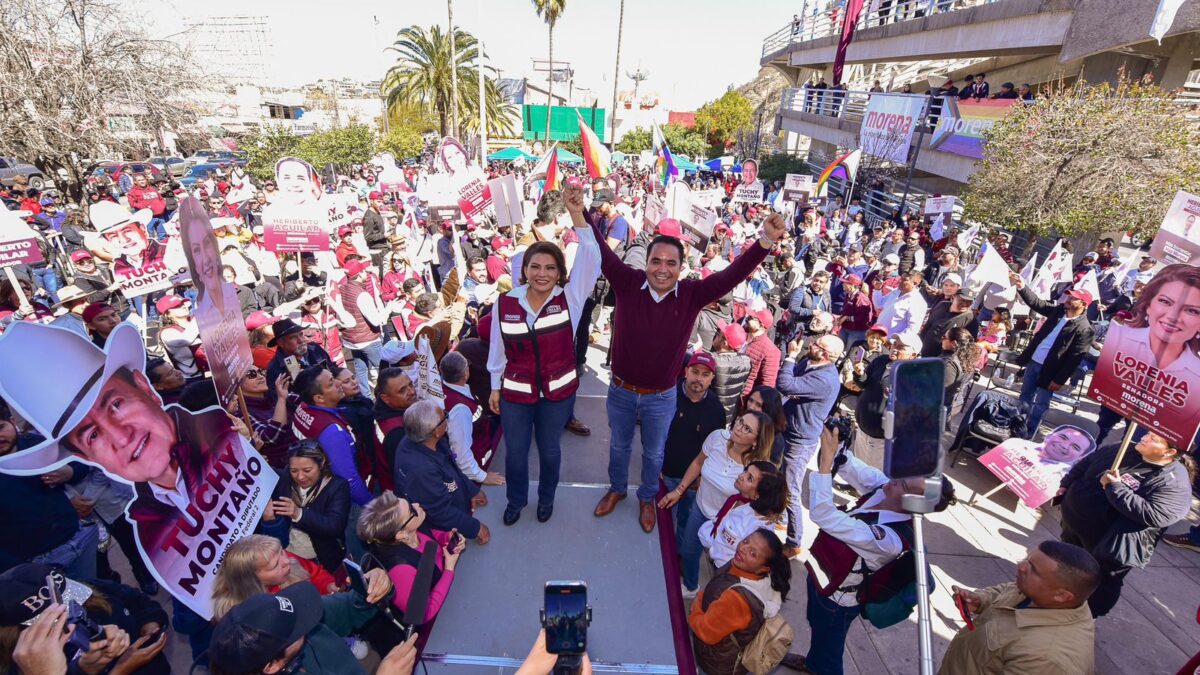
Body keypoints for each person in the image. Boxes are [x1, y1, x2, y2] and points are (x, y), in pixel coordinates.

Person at [590, 204, 786, 533]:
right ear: (646, 263)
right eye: (656, 261)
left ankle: (647, 497)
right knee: (619, 446)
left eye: (671, 263)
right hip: (622, 391)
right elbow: (599, 247)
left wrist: (765, 240)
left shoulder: (694, 294)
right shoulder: (627, 282)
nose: (662, 269)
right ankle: (617, 489)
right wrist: (577, 211)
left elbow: (734, 273)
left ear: (682, 267)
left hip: (661, 398)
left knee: (654, 454)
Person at [0, 322, 258, 569]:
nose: (121, 437)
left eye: (116, 405)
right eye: (92, 436)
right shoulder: (150, 532)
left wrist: (249, 446)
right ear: (85, 456)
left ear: (144, 387)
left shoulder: (225, 438)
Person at [782, 426, 956, 674]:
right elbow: (852, 468)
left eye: (903, 481)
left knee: (829, 654)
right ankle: (812, 662)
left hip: (837, 601)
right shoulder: (888, 489)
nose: (893, 478)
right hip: (823, 579)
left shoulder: (889, 539)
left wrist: (825, 462)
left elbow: (823, 514)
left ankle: (819, 666)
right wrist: (839, 442)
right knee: (817, 629)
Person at [487, 184, 600, 525]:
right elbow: (498, 347)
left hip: (557, 395)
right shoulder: (505, 303)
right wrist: (495, 386)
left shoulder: (571, 299)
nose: (542, 274)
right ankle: (516, 500)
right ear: (524, 270)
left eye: (550, 268)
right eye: (536, 266)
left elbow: (592, 256)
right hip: (516, 394)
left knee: (550, 451)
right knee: (516, 453)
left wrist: (578, 214)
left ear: (560, 273)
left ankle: (546, 499)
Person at [1057, 430, 1193, 617]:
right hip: (1075, 525)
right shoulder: (1123, 448)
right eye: (1149, 433)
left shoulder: (1174, 482)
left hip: (1107, 545)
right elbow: (1088, 462)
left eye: (1154, 439)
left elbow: (1157, 514)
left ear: (1168, 453)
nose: (1145, 437)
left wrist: (1114, 488)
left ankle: (1086, 616)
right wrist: (1066, 483)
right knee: (1068, 563)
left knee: (1100, 580)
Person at [660, 411, 774, 597]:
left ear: (756, 441)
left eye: (747, 429)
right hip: (700, 509)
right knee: (689, 552)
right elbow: (697, 463)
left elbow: (760, 501)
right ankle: (691, 587)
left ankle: (716, 601)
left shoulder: (757, 468)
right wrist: (679, 490)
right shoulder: (717, 438)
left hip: (730, 526)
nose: (738, 428)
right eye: (740, 421)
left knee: (724, 570)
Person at [940, 541, 1100, 674]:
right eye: (1027, 560)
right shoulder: (1044, 594)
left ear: (1062, 596)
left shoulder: (1046, 660)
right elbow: (1007, 589)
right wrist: (981, 599)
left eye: (1033, 569)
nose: (1021, 566)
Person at [208, 581, 413, 675]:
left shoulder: (296, 615)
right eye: (295, 627)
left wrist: (372, 585)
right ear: (271, 666)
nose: (302, 615)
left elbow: (352, 606)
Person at [357, 492, 465, 656]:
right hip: (437, 624)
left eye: (408, 501)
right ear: (400, 534)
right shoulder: (400, 570)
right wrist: (449, 570)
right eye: (411, 510)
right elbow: (424, 613)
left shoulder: (412, 527)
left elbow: (430, 537)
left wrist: (446, 538)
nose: (417, 505)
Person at [775, 333, 844, 556]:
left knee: (791, 491)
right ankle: (783, 519)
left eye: (816, 344)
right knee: (782, 481)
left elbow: (785, 383)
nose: (811, 344)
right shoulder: (810, 362)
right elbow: (793, 383)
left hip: (800, 441)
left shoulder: (824, 379)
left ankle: (794, 542)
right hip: (789, 430)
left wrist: (790, 357)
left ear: (825, 354)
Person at [687, 529, 791, 675]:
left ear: (764, 567)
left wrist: (696, 606)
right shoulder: (748, 569)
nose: (742, 549)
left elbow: (706, 632)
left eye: (753, 554)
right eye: (746, 541)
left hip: (716, 663)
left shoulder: (737, 600)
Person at [392, 400, 490, 545]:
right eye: (445, 416)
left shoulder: (425, 441)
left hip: (457, 507)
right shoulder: (421, 471)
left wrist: (470, 490)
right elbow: (440, 512)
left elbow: (451, 466)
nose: (447, 416)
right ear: (436, 431)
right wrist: (475, 528)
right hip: (444, 532)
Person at [1009, 272, 1094, 437]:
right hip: (1034, 362)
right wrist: (1021, 286)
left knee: (1041, 404)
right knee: (1025, 395)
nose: (1068, 300)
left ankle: (1029, 432)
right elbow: (1037, 303)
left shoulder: (1085, 329)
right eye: (1068, 296)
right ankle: (1017, 425)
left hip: (1051, 371)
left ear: (1083, 304)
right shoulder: (1058, 311)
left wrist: (1059, 380)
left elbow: (1074, 359)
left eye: (1073, 298)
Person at [661, 353, 728, 550]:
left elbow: (717, 448)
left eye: (705, 374)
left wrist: (701, 477)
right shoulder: (667, 396)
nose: (699, 378)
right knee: (664, 522)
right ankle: (664, 557)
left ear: (712, 379)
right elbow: (654, 434)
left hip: (694, 483)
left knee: (686, 523)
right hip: (665, 474)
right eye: (695, 372)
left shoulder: (716, 409)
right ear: (686, 371)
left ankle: (680, 556)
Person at [265, 441, 351, 575]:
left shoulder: (337, 487)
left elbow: (335, 526)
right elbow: (257, 470)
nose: (300, 477)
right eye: (294, 470)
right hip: (287, 557)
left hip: (321, 560)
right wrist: (248, 441)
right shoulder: (284, 478)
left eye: (307, 470)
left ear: (321, 463)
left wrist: (299, 514)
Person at [698, 461, 788, 570]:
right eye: (746, 471)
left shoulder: (758, 530)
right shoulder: (742, 504)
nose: (741, 476)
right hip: (717, 558)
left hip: (728, 570)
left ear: (757, 495)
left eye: (750, 478)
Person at [264, 318, 333, 402]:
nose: (301, 340)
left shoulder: (314, 348)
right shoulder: (275, 369)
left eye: (301, 334)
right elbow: (279, 400)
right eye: (293, 337)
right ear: (281, 343)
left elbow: (332, 367)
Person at [710, 323, 750, 421]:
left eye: (718, 334)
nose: (715, 335)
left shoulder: (713, 361)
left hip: (709, 413)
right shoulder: (746, 361)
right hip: (729, 415)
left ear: (725, 343)